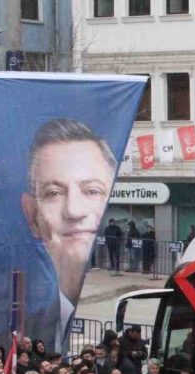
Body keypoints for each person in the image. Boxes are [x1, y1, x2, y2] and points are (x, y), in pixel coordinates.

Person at [20, 118, 117, 352]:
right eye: (54, 193)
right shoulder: (21, 335)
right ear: (32, 215)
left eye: (92, 191)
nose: (73, 210)